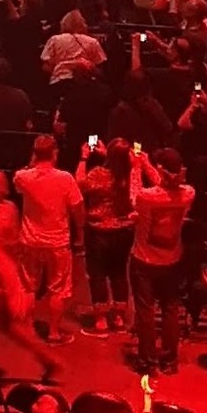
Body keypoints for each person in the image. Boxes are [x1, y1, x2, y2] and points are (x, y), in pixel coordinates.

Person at [11, 134, 85, 345]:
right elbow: (77, 209)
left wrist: (33, 161)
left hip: (29, 240)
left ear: (34, 153)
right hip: (58, 242)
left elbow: (20, 178)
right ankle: (53, 332)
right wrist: (80, 235)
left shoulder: (23, 177)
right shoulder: (65, 179)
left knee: (27, 287)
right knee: (58, 289)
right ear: (55, 153)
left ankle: (27, 328)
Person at [130, 146, 195, 376]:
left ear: (161, 169)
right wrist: (148, 164)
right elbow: (167, 184)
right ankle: (169, 360)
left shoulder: (146, 198)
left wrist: (137, 167)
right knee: (170, 310)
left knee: (145, 312)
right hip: (172, 261)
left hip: (144, 261)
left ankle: (147, 361)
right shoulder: (188, 193)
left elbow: (134, 193)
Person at [78, 137, 136, 335]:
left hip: (98, 231)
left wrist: (84, 158)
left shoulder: (97, 174)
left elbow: (80, 183)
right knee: (119, 273)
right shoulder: (130, 175)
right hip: (123, 231)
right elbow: (129, 161)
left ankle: (101, 319)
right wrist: (110, 156)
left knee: (98, 274)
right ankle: (119, 317)